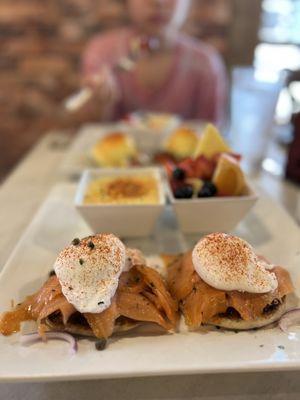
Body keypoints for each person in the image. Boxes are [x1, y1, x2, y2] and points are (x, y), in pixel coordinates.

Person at [80, 0, 227, 125]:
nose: (158, 2)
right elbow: (90, 129)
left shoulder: (205, 63)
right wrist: (99, 106)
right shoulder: (102, 52)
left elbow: (210, 135)